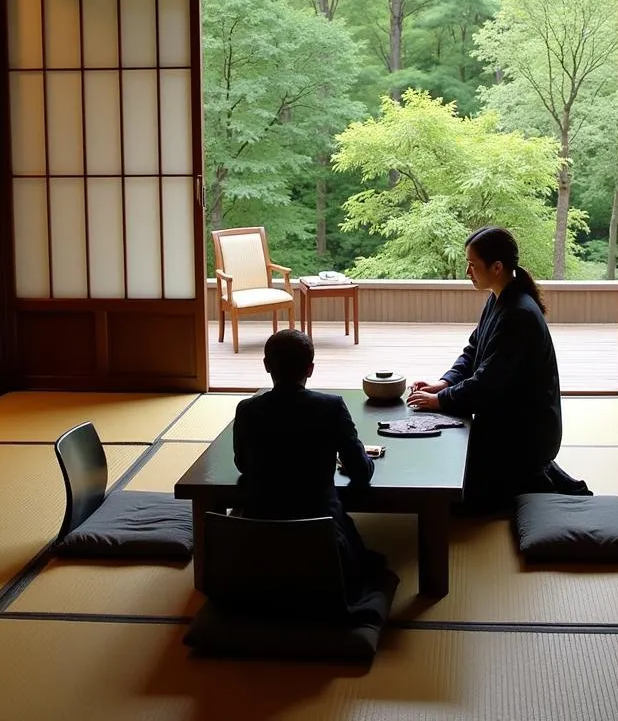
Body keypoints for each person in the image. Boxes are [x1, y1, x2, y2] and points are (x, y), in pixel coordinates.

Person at [407, 226, 567, 511]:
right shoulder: (499, 299)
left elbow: (487, 383)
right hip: (505, 418)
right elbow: (472, 352)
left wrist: (439, 401)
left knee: (455, 502)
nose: (468, 272)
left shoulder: (518, 313)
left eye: (472, 265)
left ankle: (536, 481)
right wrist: (444, 384)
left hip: (524, 433)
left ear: (496, 267)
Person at [232, 328, 377, 598]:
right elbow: (360, 471)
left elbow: (242, 464)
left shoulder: (247, 409)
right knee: (373, 567)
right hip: (321, 534)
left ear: (266, 365)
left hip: (259, 534)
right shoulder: (331, 407)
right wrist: (361, 459)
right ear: (310, 369)